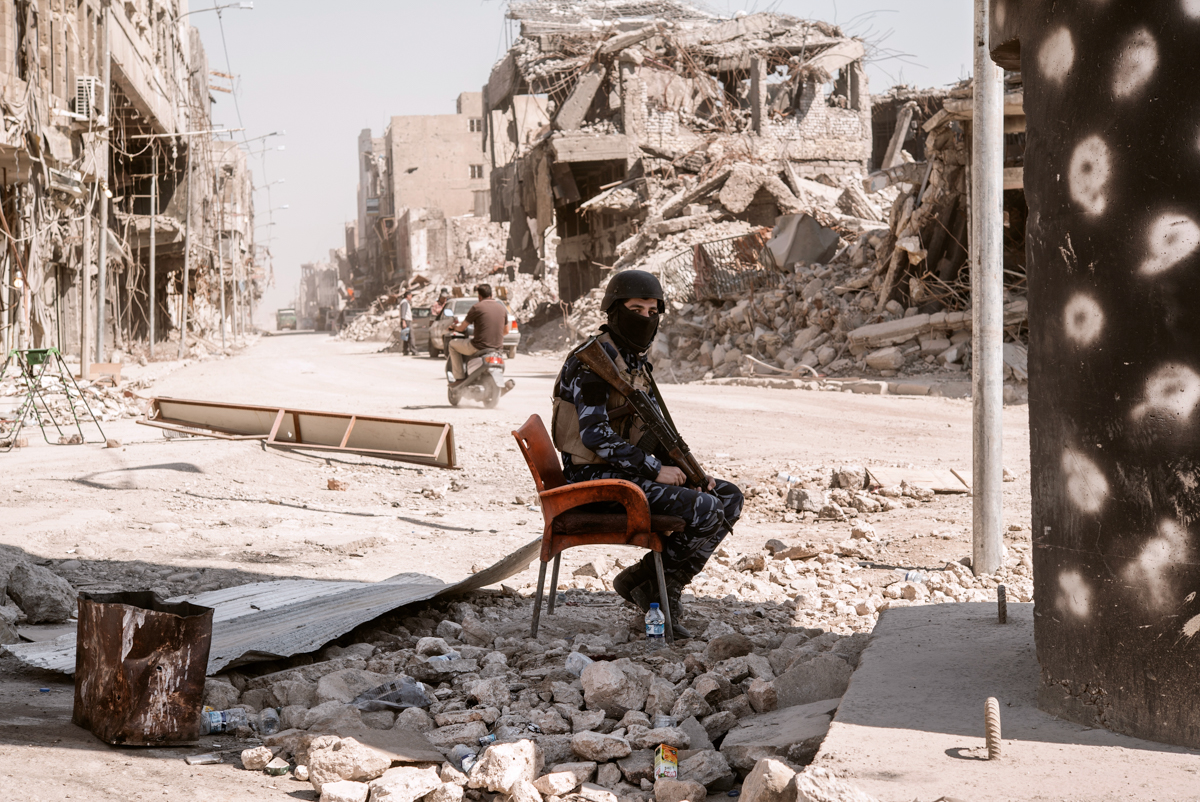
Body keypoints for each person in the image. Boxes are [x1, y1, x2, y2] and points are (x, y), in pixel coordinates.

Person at [551, 270, 743, 638]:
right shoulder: (592, 363)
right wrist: (655, 469)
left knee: (726, 498)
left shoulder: (630, 362)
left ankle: (647, 582)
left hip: (624, 472)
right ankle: (657, 591)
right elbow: (596, 437)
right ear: (613, 310)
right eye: (636, 309)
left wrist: (693, 473)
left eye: (653, 311)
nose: (645, 318)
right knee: (703, 509)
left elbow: (658, 432)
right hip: (592, 480)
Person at [448, 283, 506, 382]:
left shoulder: (477, 307)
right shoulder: (502, 308)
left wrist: (453, 327)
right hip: (497, 348)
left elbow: (462, 328)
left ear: (479, 296)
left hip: (479, 347)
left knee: (452, 345)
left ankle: (459, 378)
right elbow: (506, 331)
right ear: (491, 295)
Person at [398, 290, 414, 355]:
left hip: (405, 320)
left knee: (405, 336)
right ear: (408, 296)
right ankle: (414, 350)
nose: (411, 297)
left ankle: (405, 350)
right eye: (411, 296)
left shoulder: (405, 302)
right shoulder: (404, 302)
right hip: (406, 321)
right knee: (411, 336)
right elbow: (403, 312)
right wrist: (403, 321)